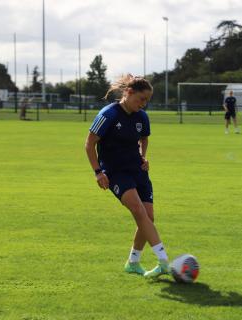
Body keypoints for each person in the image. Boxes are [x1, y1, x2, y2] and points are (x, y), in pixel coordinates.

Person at [85, 74, 169, 279]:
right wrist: (98, 172)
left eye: (147, 101)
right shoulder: (108, 114)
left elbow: (144, 139)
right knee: (139, 211)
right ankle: (164, 261)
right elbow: (89, 144)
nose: (144, 104)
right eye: (141, 99)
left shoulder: (142, 117)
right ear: (129, 93)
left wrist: (143, 156)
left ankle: (133, 262)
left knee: (148, 217)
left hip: (138, 171)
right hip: (115, 172)